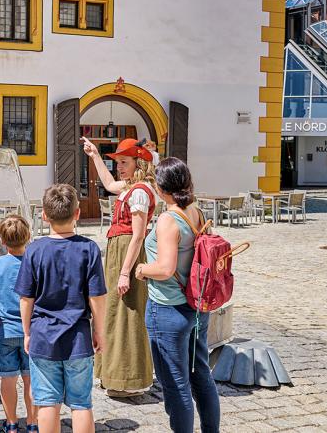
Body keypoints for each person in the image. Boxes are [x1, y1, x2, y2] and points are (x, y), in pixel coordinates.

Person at [134, 158, 220, 433]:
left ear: (161, 188)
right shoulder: (197, 212)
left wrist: (141, 269)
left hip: (168, 309)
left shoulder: (168, 220)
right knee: (201, 376)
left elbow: (165, 267)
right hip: (197, 306)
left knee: (175, 384)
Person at [15, 184, 108, 433]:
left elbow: (26, 299)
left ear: (44, 215)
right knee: (81, 404)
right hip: (78, 337)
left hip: (43, 336)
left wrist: (26, 332)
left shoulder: (34, 250)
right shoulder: (89, 249)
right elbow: (97, 297)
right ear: (77, 214)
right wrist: (99, 331)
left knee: (47, 403)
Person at [82, 137, 156, 397]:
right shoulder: (130, 186)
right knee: (114, 310)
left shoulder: (139, 191)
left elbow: (137, 235)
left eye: (124, 162)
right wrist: (94, 156)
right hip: (118, 250)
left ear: (138, 163)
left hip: (128, 252)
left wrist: (125, 272)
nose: (120, 167)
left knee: (126, 313)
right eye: (119, 163)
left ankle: (127, 378)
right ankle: (111, 373)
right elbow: (109, 184)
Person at [0, 215, 38, 433]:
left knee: (8, 378)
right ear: (28, 237)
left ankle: (11, 423)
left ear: (2, 240)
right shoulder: (34, 264)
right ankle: (33, 423)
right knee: (31, 380)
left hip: (5, 332)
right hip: (31, 331)